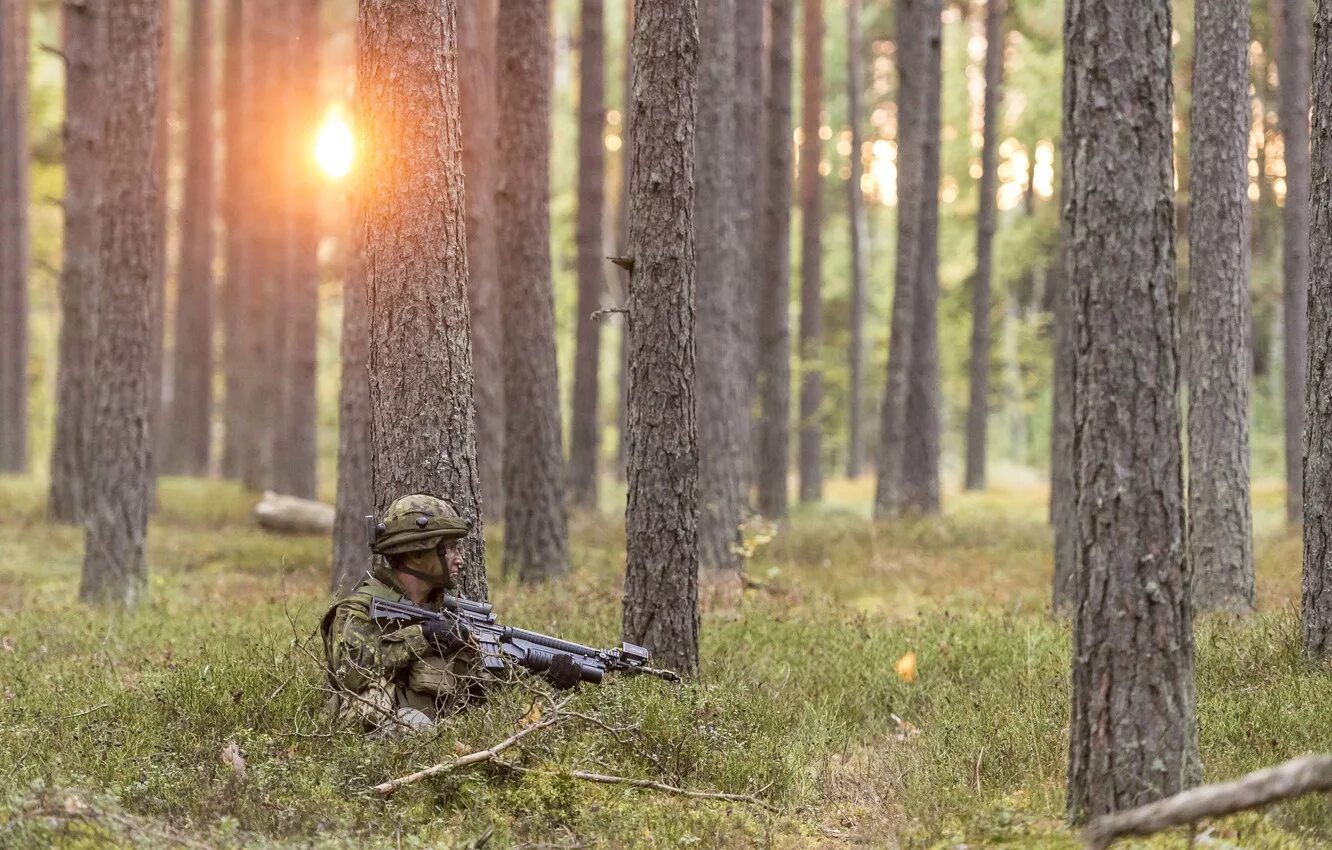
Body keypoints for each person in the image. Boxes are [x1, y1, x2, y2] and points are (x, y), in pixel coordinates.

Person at [320, 493, 579, 736]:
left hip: (441, 745)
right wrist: (422, 636)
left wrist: (544, 672)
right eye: (451, 548)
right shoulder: (358, 610)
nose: (460, 559)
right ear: (417, 552)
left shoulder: (451, 614)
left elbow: (488, 683)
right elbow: (350, 674)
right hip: (373, 746)